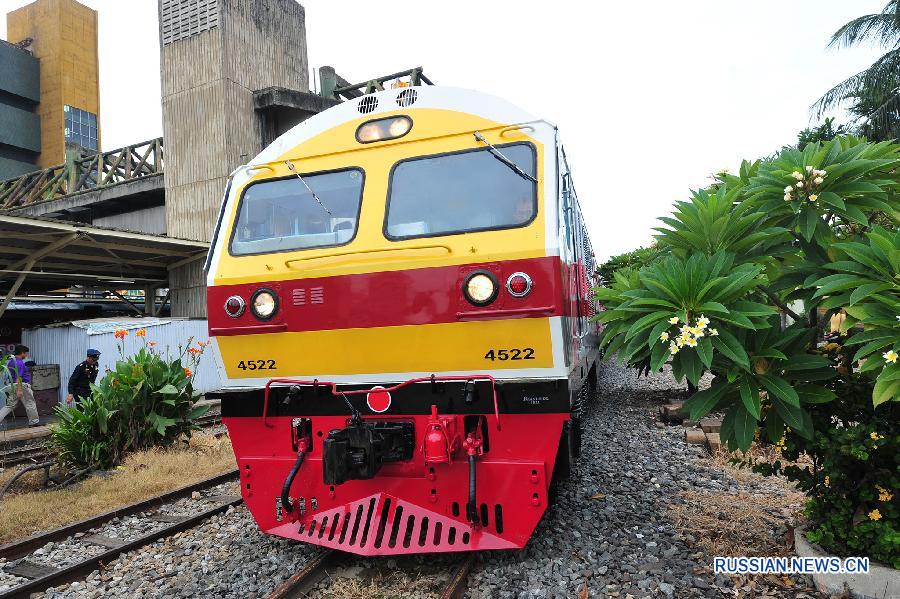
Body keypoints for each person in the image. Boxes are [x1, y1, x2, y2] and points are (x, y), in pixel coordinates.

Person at [0, 345, 40, 427]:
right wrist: (19, 390)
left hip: (12, 385)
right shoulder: (19, 362)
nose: (26, 355)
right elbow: (19, 377)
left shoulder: (10, 361)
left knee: (10, 405)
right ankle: (34, 422)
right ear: (22, 353)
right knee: (30, 403)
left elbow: (7, 375)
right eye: (26, 353)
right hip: (22, 385)